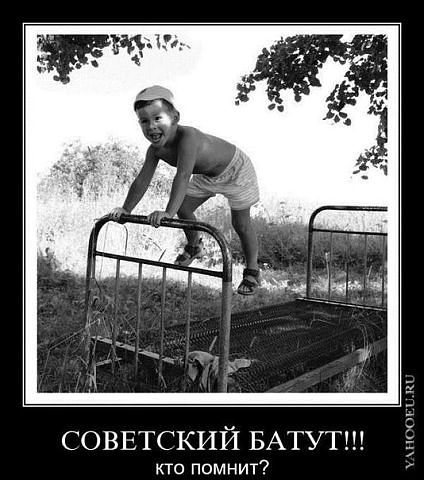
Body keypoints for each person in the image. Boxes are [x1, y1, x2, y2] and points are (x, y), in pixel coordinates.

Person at [109, 85, 261, 295]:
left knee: (241, 223)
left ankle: (252, 270)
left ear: (175, 118)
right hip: (207, 176)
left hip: (236, 170)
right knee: (184, 207)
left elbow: (182, 176)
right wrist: (126, 209)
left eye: (158, 118)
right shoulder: (155, 150)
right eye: (144, 121)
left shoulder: (188, 138)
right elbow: (142, 180)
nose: (151, 126)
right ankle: (195, 246)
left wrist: (168, 213)